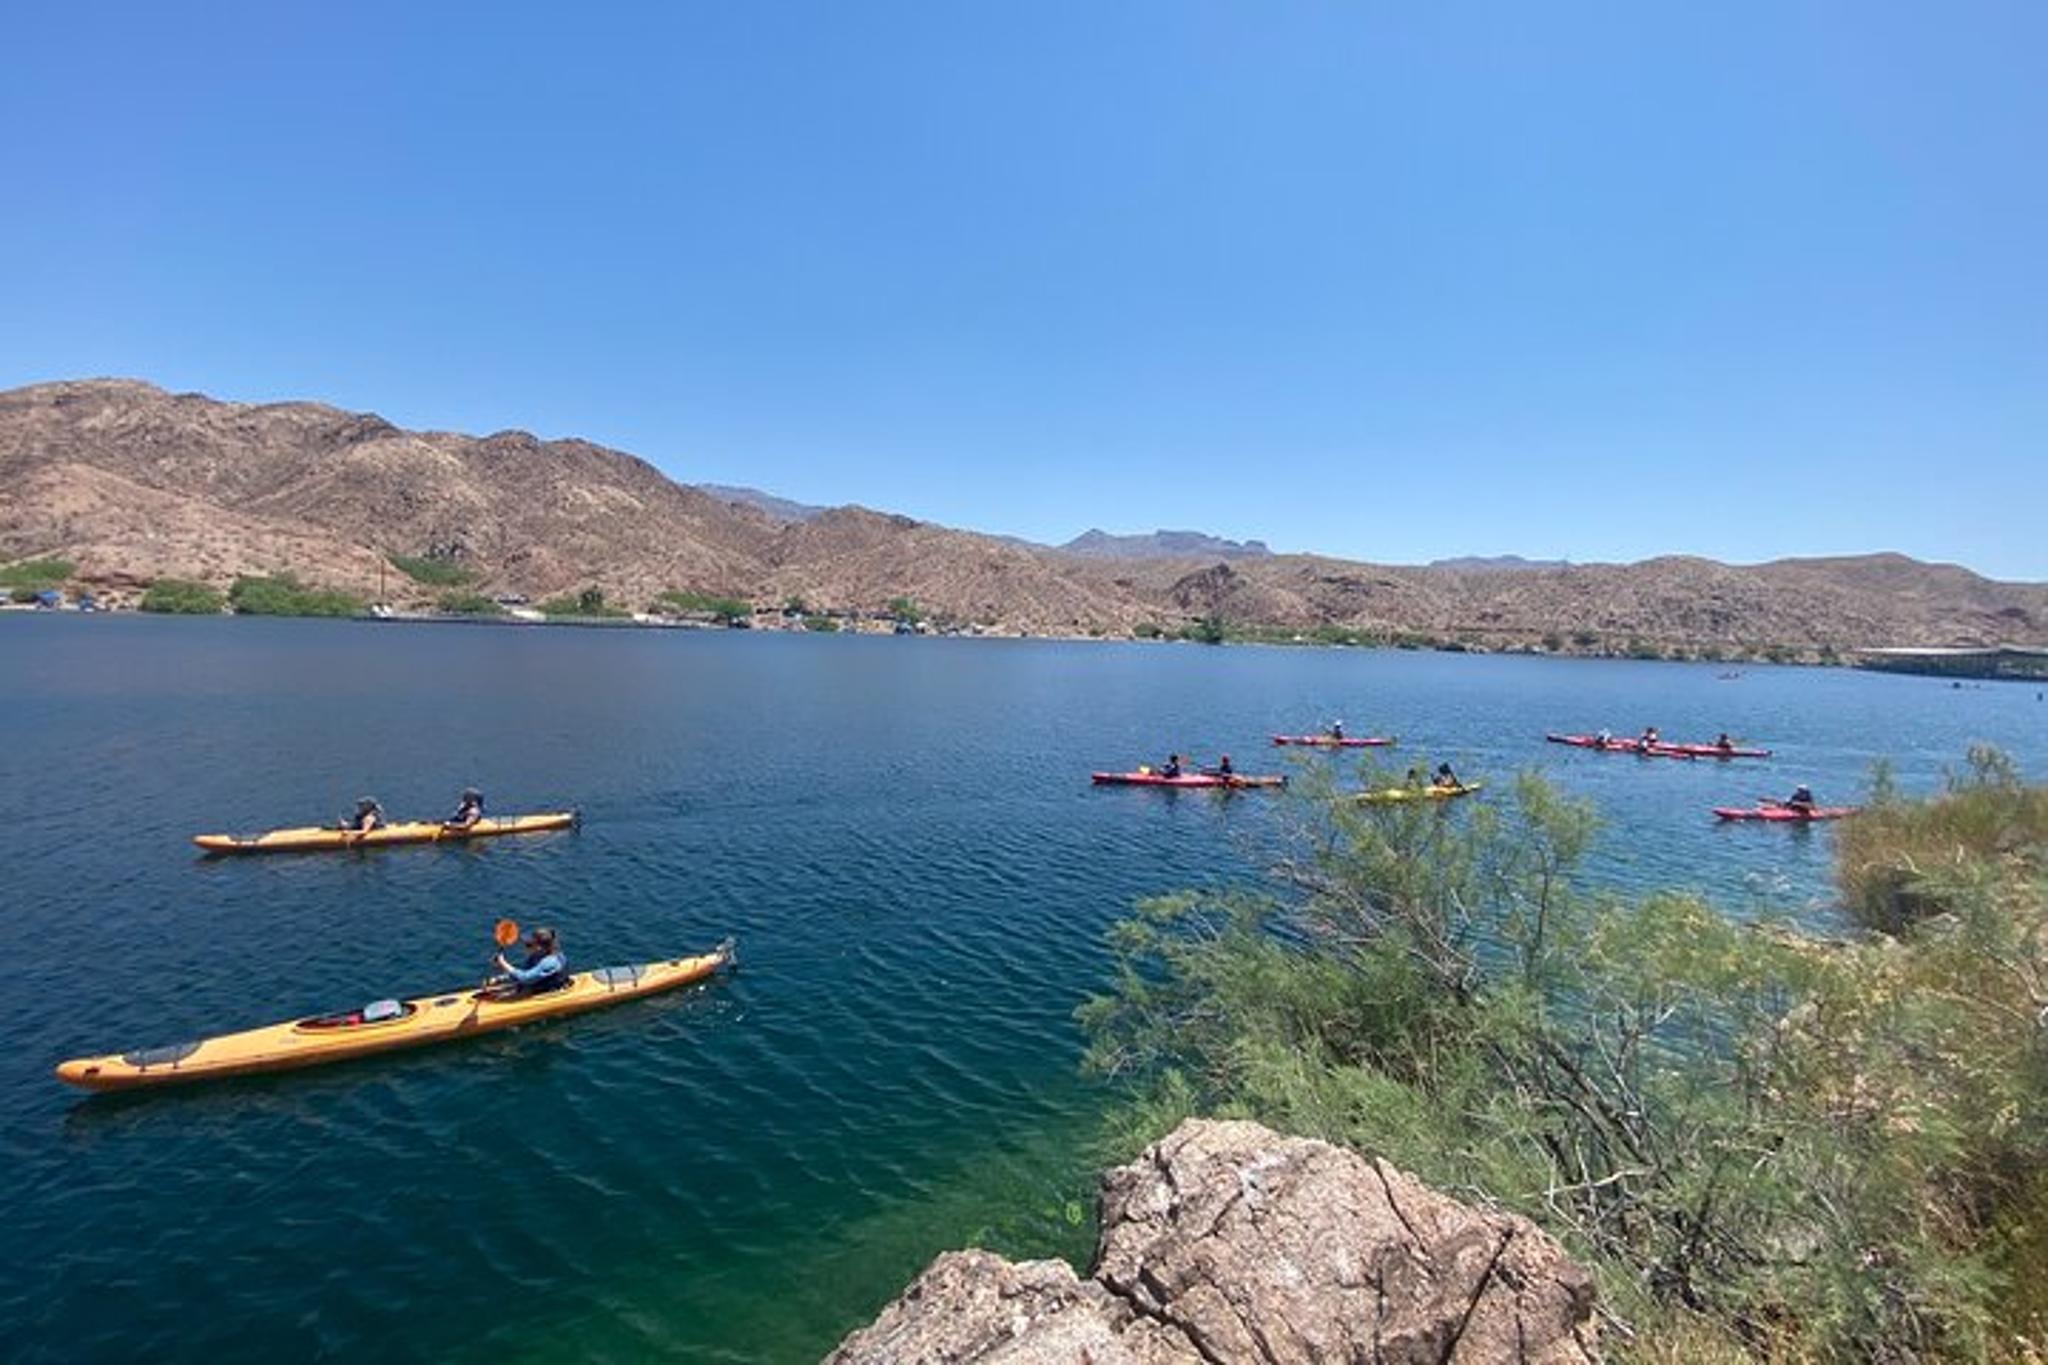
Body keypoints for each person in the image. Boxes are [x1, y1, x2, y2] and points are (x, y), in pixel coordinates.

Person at [494, 927, 568, 995]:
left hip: (550, 990)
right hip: (536, 984)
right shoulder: (536, 956)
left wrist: (503, 963)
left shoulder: (549, 962)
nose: (525, 947)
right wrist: (501, 979)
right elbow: (524, 971)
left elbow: (525, 978)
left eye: (528, 945)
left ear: (540, 948)